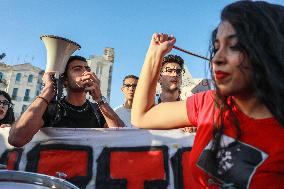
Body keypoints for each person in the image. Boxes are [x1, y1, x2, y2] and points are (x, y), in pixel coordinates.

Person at [132, 1, 284, 188]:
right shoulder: (210, 104)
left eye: (234, 46)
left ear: (270, 50)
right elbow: (142, 116)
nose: (217, 59)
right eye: (217, 47)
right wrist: (154, 55)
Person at [9, 55, 124, 147]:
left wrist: (99, 99)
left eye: (87, 69)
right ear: (65, 81)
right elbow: (16, 139)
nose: (86, 73)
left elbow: (123, 139)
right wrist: (47, 91)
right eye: (77, 69)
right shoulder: (51, 109)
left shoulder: (99, 110)